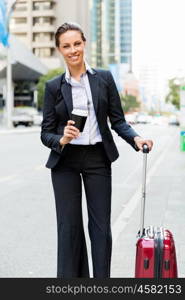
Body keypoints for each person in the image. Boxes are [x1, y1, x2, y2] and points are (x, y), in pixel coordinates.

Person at [41, 22, 153, 278]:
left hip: (97, 159)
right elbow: (45, 132)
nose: (73, 50)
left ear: (84, 43)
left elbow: (118, 120)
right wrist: (61, 138)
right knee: (68, 229)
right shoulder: (53, 87)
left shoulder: (103, 78)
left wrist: (136, 139)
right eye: (66, 46)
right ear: (60, 50)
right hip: (65, 161)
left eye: (77, 44)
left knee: (101, 228)